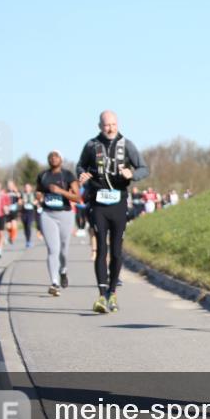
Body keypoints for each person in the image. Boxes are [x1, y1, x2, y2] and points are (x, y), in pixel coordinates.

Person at [77, 110, 148, 314]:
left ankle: (112, 292)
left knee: (116, 251)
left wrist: (132, 174)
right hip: (98, 202)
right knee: (101, 249)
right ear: (100, 126)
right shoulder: (91, 145)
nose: (110, 128)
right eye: (107, 125)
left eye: (114, 125)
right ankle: (101, 296)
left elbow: (144, 168)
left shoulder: (127, 145)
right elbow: (80, 166)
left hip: (118, 202)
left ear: (118, 125)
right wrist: (82, 175)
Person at [36, 151, 80, 296]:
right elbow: (39, 192)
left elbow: (77, 198)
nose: (53, 158)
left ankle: (63, 271)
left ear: (61, 159)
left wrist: (60, 191)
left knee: (63, 251)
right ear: (48, 160)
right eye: (51, 156)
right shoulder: (43, 175)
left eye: (56, 156)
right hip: (47, 214)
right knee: (52, 250)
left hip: (65, 214)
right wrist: (39, 196)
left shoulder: (68, 175)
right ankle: (54, 283)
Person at [21, 182, 37, 248]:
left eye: (28, 187)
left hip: (31, 212)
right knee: (25, 227)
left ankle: (29, 241)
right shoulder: (22, 194)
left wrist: (34, 202)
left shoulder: (34, 194)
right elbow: (19, 202)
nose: (27, 188)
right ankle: (27, 240)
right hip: (23, 212)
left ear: (30, 188)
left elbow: (37, 201)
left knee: (28, 225)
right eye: (26, 187)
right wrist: (22, 202)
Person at [5, 180, 22, 245]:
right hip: (8, 210)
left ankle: (12, 238)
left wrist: (16, 191)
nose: (10, 186)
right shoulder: (6, 191)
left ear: (14, 185)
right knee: (8, 227)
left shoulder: (17, 191)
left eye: (11, 185)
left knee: (14, 224)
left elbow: (20, 198)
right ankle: (10, 236)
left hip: (14, 210)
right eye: (9, 185)